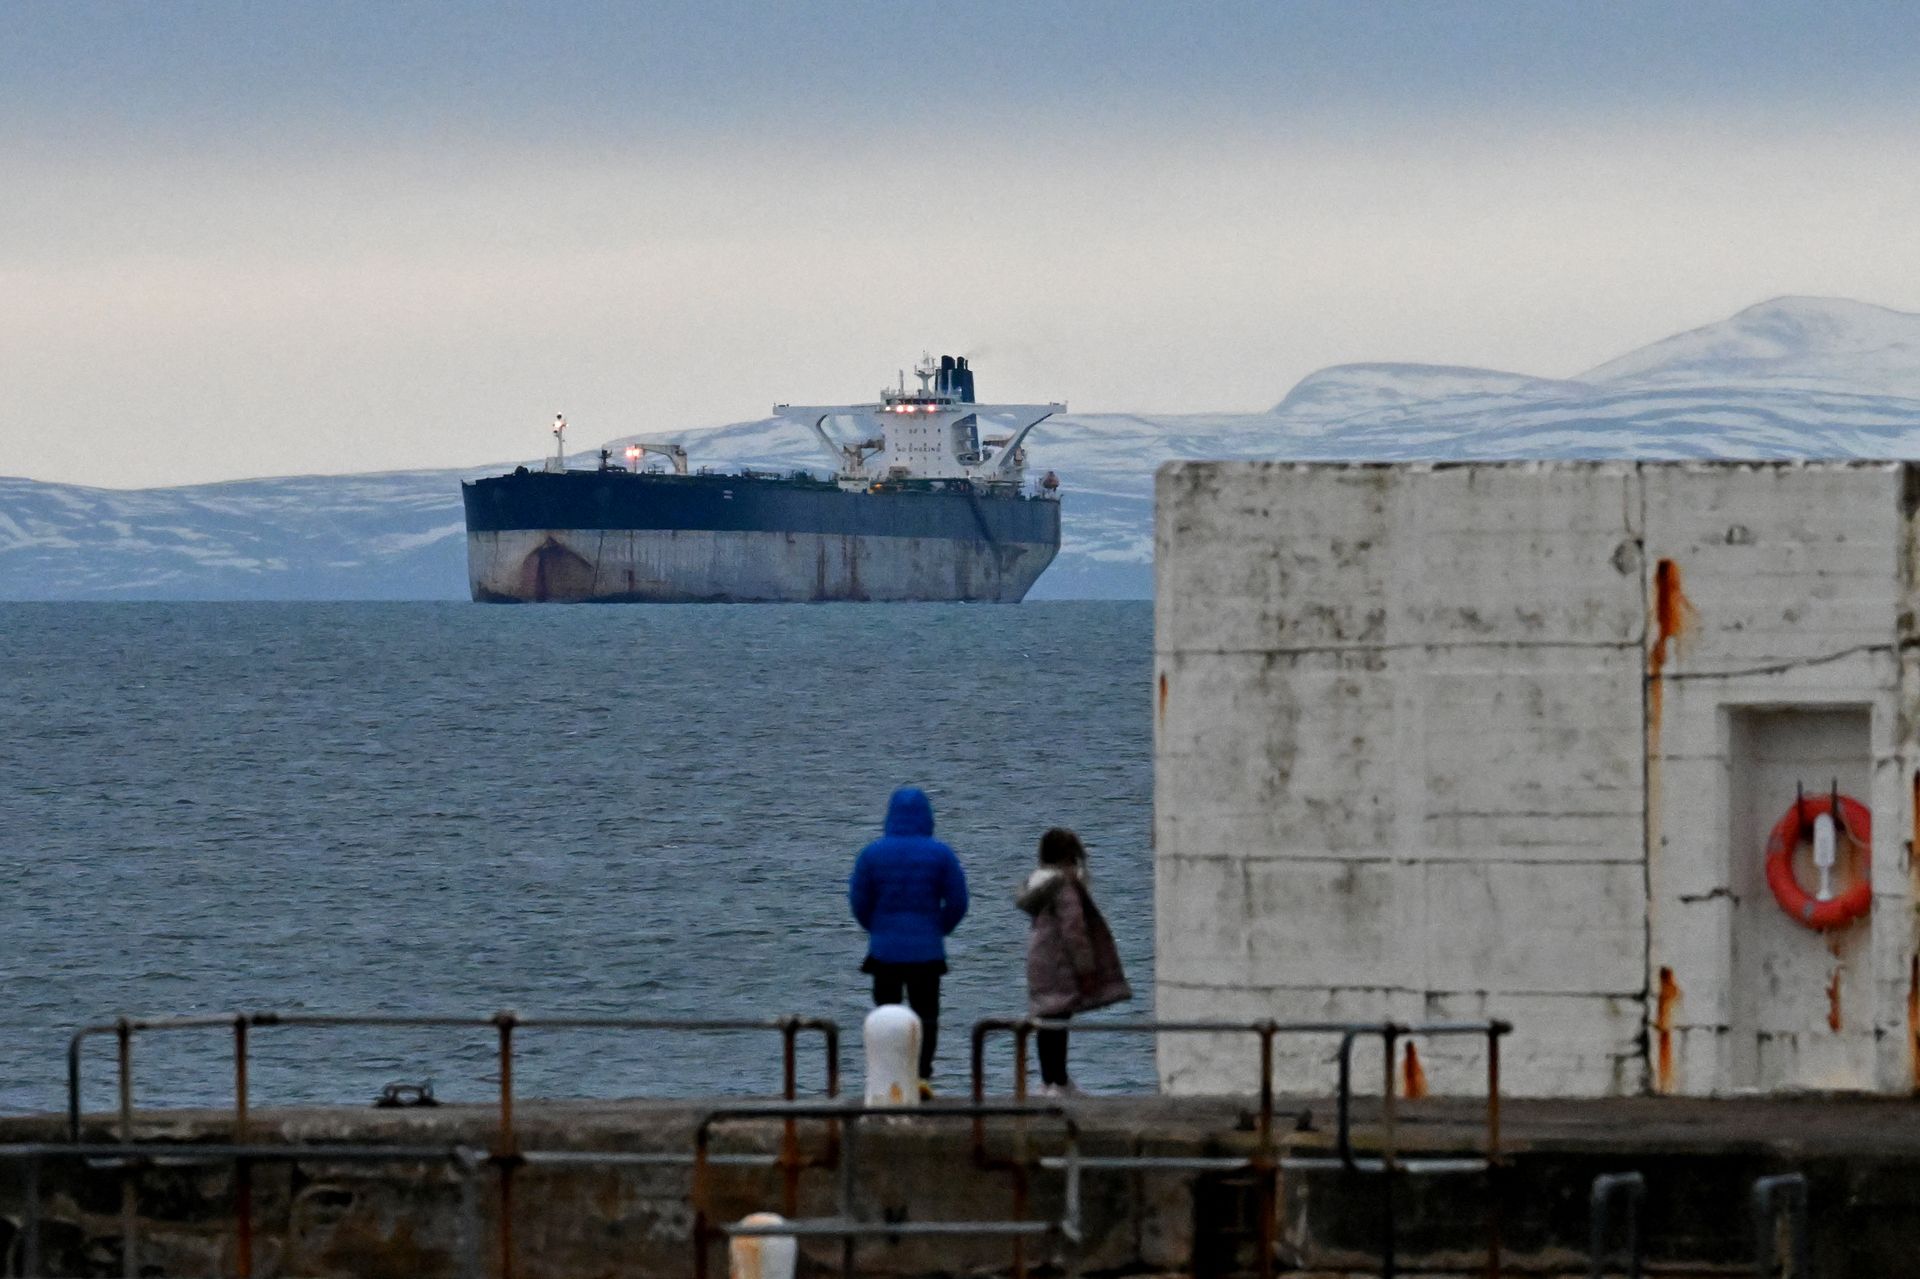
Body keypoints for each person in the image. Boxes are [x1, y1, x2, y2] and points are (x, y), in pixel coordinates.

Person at [849, 786, 969, 1092]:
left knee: (886, 1016)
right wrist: (937, 929)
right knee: (926, 1017)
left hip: (884, 951)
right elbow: (958, 902)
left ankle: (888, 1080)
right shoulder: (941, 854)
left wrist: (876, 928)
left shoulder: (872, 854)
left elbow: (858, 902)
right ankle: (922, 1077)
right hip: (927, 953)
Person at [1017, 827, 1131, 1096]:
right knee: (1059, 1020)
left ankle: (1048, 1081)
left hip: (1038, 959)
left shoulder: (1038, 883)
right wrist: (1086, 968)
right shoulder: (1064, 887)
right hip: (1059, 962)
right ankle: (1059, 1081)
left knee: (1045, 1018)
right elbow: (1074, 930)